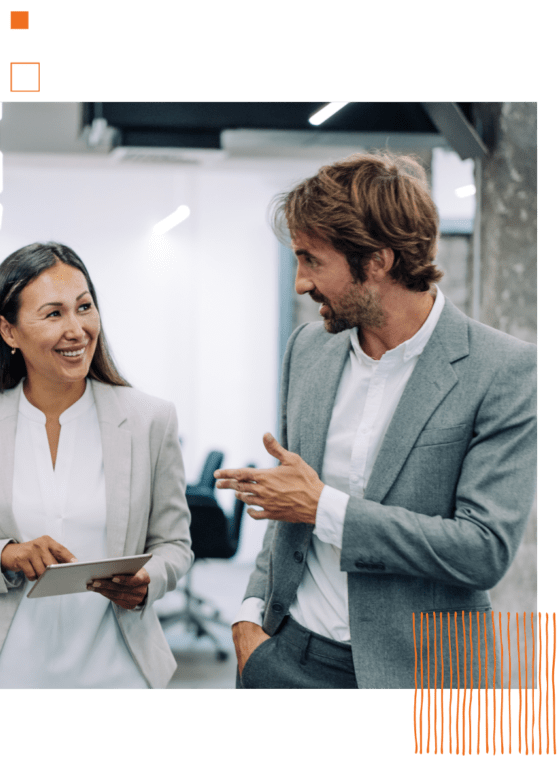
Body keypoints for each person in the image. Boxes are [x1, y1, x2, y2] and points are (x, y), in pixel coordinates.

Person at [215, 153, 537, 690]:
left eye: (311, 260)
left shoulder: (503, 371)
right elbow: (288, 506)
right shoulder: (308, 350)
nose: (300, 283)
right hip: (289, 654)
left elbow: (484, 550)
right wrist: (250, 620)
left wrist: (325, 508)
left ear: (378, 261)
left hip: (426, 678)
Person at [0, 242, 192, 689]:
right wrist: (5, 555)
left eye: (84, 307)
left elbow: (174, 544)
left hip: (117, 673)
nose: (77, 329)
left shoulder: (149, 419)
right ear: (9, 331)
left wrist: (147, 581)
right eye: (54, 313)